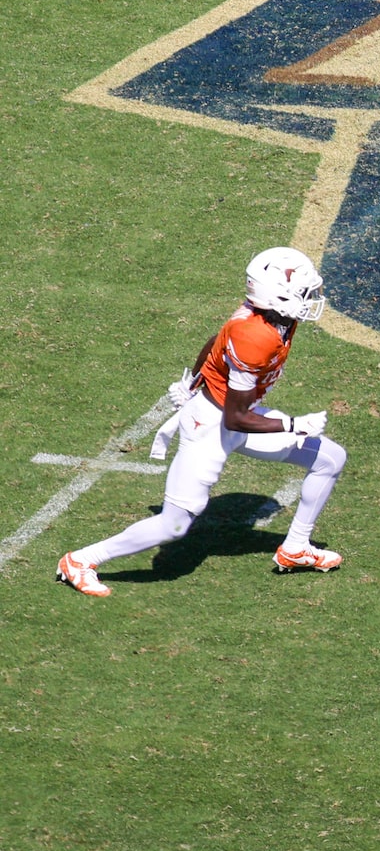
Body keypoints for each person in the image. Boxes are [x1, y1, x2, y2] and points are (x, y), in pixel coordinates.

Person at [58, 249, 348, 593]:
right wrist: (292, 425)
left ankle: (296, 548)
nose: (310, 299)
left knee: (329, 458)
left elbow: (217, 340)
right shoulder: (256, 336)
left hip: (235, 413)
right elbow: (236, 419)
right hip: (212, 426)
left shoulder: (274, 317)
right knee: (174, 526)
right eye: (303, 292)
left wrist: (195, 379)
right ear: (276, 296)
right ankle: (80, 560)